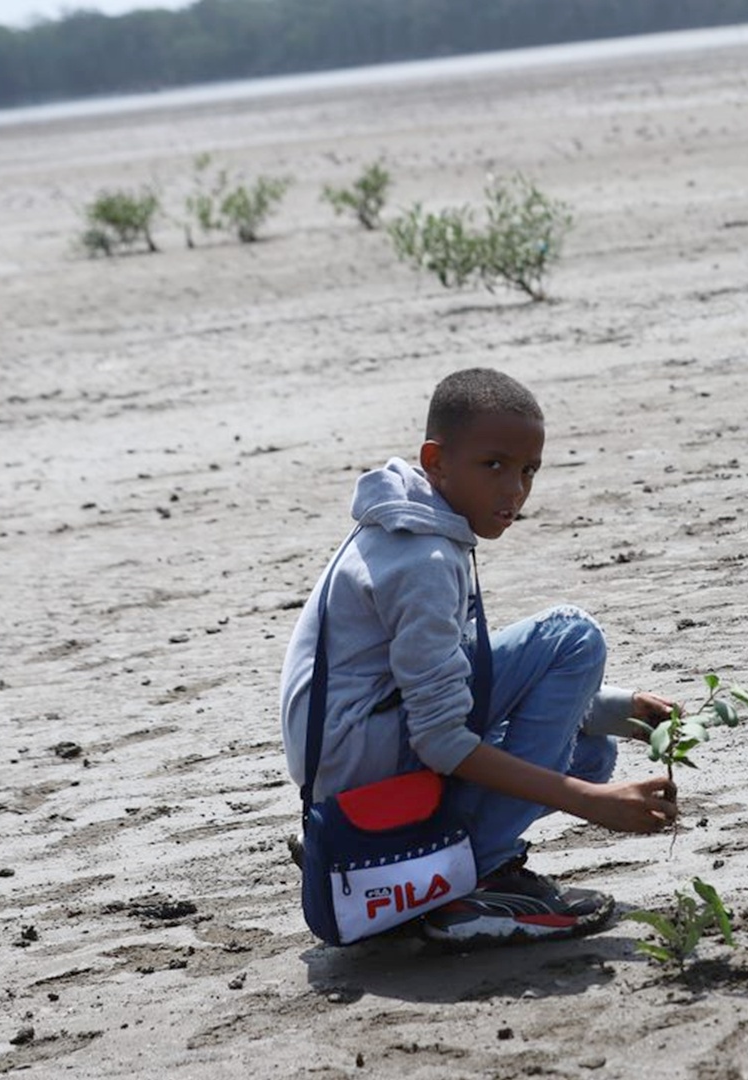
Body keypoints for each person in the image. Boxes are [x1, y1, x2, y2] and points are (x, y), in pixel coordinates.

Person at [279, 367, 679, 948]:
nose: (513, 490)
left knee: (590, 751)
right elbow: (440, 739)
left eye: (528, 471)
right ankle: (474, 877)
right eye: (493, 465)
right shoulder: (424, 560)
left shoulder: (414, 517)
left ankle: (439, 866)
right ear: (437, 460)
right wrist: (593, 806)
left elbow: (453, 674)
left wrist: (616, 711)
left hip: (360, 751)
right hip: (359, 761)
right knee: (573, 635)